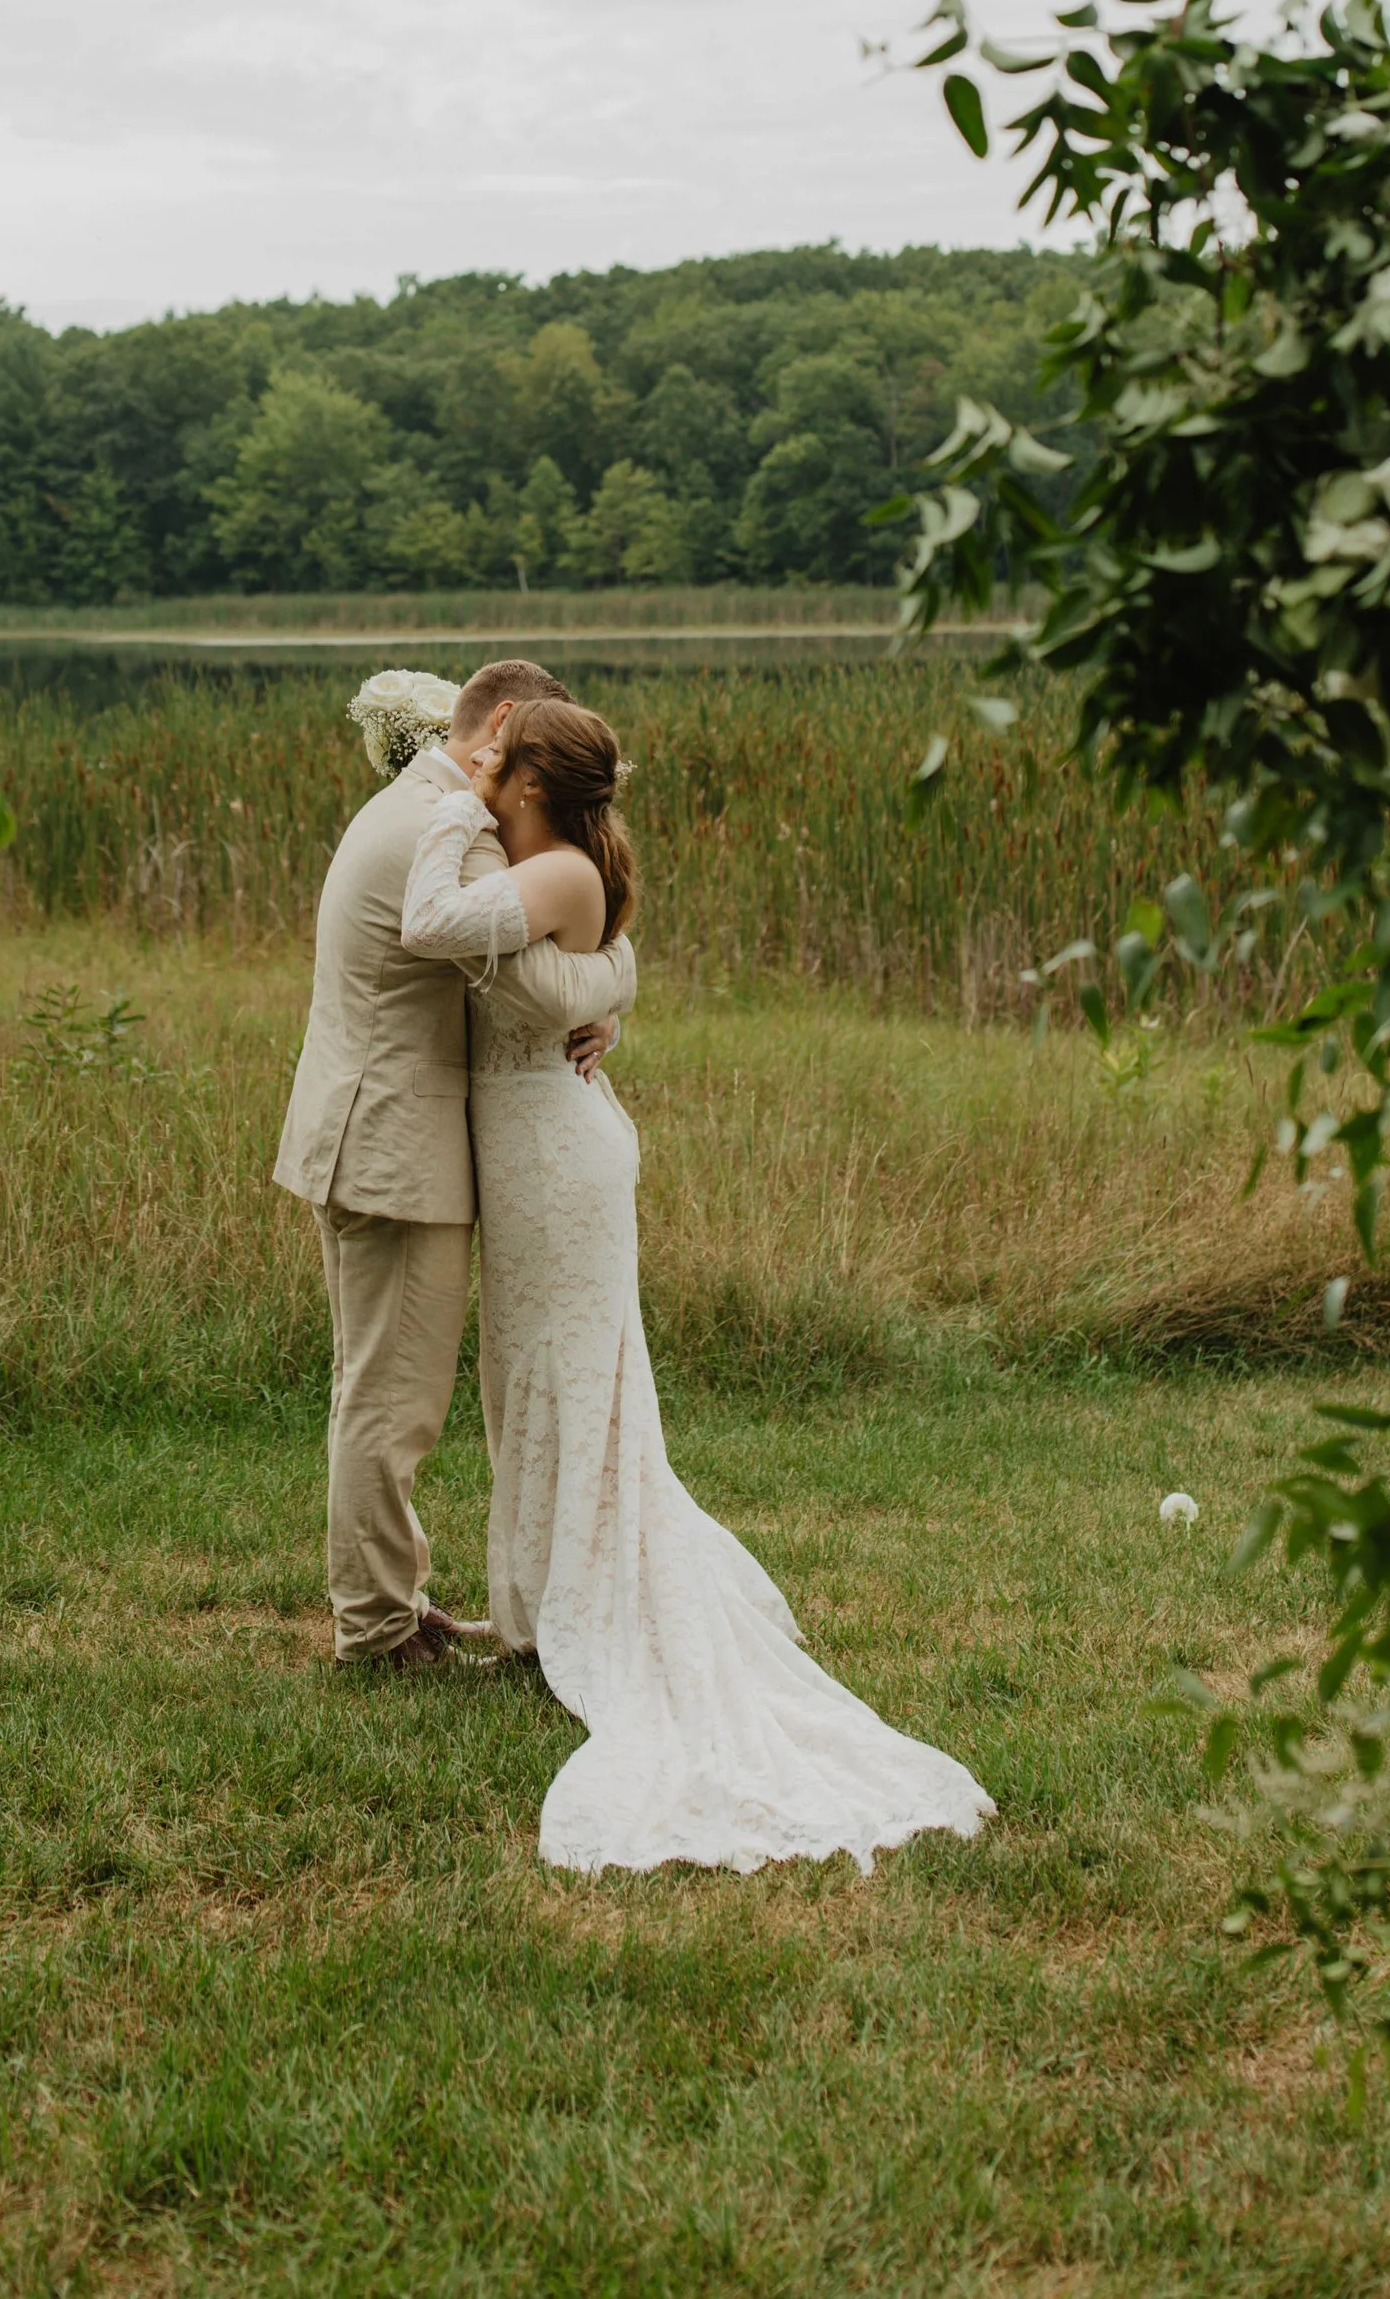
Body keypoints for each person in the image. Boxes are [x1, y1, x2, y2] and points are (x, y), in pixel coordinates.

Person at [399, 698, 994, 1874]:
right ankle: (530, 1605)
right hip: (527, 1153)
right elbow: (554, 971)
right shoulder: (545, 861)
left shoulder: (559, 867)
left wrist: (444, 807)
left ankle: (573, 1598)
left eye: (493, 765)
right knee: (528, 1378)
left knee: (573, 1375)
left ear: (523, 784)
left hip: (559, 1159)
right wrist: (603, 989)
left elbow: (428, 922)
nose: (478, 772)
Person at [272, 660, 631, 1668]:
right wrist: (619, 974)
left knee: (377, 1390)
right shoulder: (449, 828)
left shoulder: (413, 803)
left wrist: (597, 989)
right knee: (392, 1405)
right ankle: (378, 1632)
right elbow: (528, 992)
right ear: (505, 726)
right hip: (391, 1147)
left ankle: (391, 1600)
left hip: (371, 1134)